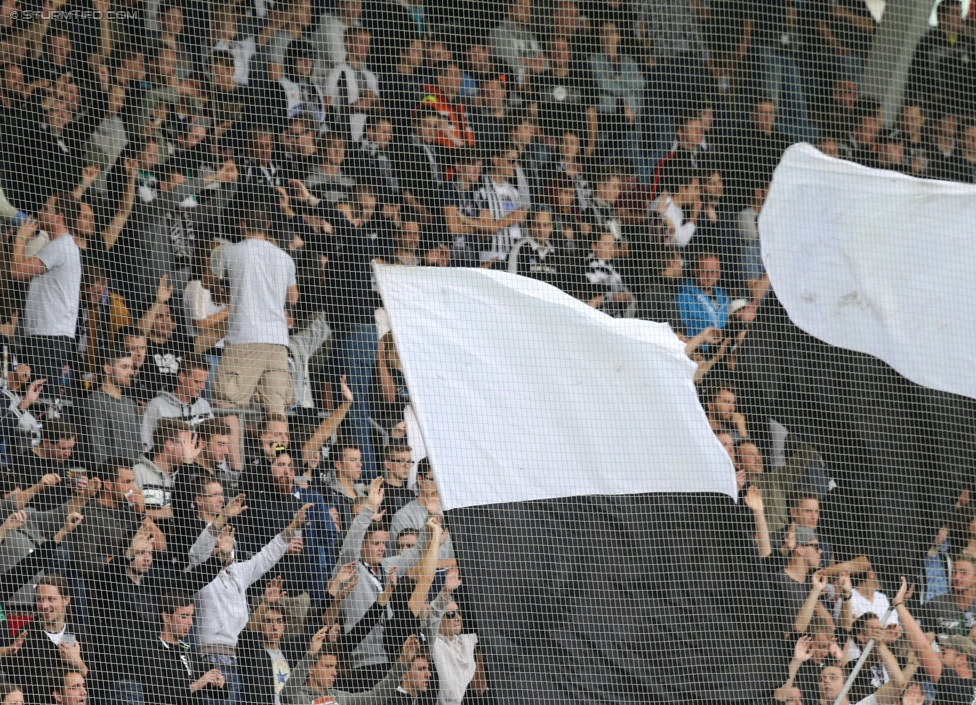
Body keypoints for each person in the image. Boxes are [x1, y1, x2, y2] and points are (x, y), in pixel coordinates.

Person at [191, 503, 312, 705]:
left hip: (242, 658)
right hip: (211, 659)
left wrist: (291, 528)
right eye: (222, 543)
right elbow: (198, 552)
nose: (228, 548)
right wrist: (221, 519)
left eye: (230, 543)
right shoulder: (198, 574)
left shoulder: (238, 571)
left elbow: (266, 556)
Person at [212, 208, 298, 417]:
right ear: (268, 226)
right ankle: (278, 450)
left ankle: (232, 451)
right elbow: (293, 298)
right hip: (278, 342)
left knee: (227, 405)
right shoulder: (285, 257)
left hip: (245, 339)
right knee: (276, 410)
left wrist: (231, 295)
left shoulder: (229, 252)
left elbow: (211, 288)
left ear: (242, 225)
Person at [9, 197, 82, 389]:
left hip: (48, 338)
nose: (40, 212)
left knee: (39, 398)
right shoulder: (61, 245)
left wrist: (21, 237)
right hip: (47, 336)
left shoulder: (61, 246)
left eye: (46, 208)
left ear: (59, 216)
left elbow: (16, 271)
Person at [3, 574, 90, 704]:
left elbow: (97, 682)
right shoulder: (26, 635)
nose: (44, 606)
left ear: (66, 600)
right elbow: (18, 684)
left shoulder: (79, 633)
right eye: (39, 599)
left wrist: (78, 663)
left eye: (51, 599)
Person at [282, 628, 419, 705]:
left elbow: (376, 696)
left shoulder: (339, 697)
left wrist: (402, 662)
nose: (334, 672)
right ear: (311, 669)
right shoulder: (299, 698)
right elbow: (286, 694)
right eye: (328, 666)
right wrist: (310, 654)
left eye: (334, 667)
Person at [137, 590, 228, 705]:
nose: (190, 622)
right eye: (184, 616)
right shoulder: (152, 651)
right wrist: (196, 685)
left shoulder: (190, 651)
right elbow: (155, 697)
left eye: (191, 616)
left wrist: (219, 682)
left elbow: (220, 695)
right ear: (166, 616)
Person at [142, 352, 216, 452]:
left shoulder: (204, 406)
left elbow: (214, 443)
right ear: (181, 377)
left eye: (204, 382)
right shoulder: (155, 406)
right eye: (197, 381)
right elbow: (145, 445)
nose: (202, 387)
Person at [82, 344, 142, 466]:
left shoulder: (131, 404)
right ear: (108, 369)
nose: (131, 372)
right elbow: (96, 447)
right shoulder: (94, 401)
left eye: (131, 368)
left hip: (133, 478)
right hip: (109, 478)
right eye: (125, 367)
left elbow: (138, 447)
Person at [677, 252, 730, 339]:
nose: (708, 276)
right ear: (695, 271)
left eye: (713, 272)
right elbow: (681, 332)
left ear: (719, 273)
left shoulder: (724, 297)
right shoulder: (683, 297)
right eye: (703, 271)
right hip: (697, 350)